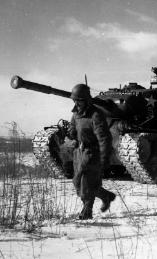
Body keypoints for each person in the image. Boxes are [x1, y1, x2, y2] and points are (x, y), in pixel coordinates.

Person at [68, 83, 116, 220]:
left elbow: (104, 138)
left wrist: (104, 157)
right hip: (79, 152)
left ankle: (87, 211)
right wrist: (71, 133)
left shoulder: (96, 115)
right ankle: (106, 196)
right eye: (75, 100)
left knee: (87, 184)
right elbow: (73, 127)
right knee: (78, 183)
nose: (77, 103)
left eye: (80, 100)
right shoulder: (76, 113)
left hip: (92, 153)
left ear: (86, 100)